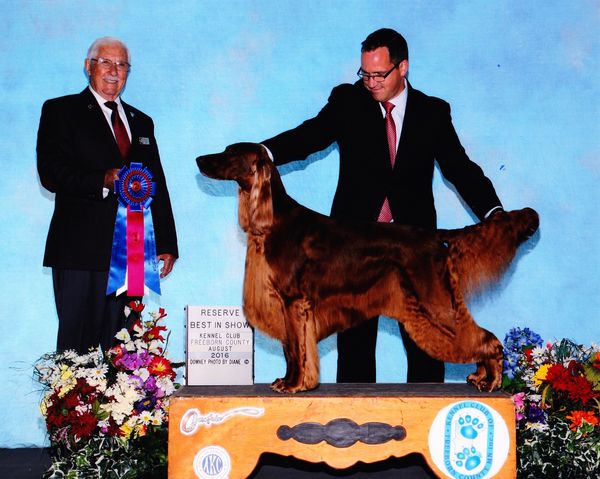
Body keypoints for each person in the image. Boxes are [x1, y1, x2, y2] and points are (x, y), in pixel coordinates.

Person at [261, 28, 503, 384]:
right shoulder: (347, 101)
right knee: (355, 345)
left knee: (429, 342)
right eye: (365, 74)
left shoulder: (433, 112)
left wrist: (493, 212)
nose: (370, 82)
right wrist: (262, 153)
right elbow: (309, 136)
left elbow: (459, 167)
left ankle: (426, 426)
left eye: (379, 74)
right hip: (353, 248)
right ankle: (353, 426)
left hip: (414, 246)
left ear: (402, 67)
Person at [37, 37, 178, 354]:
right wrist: (101, 179)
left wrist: (168, 243)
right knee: (77, 350)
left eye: (122, 64)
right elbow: (50, 173)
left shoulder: (142, 122)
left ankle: (126, 405)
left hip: (134, 250)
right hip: (78, 250)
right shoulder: (61, 111)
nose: (114, 71)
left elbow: (158, 185)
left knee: (126, 348)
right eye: (106, 62)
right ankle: (76, 406)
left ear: (129, 72)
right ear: (88, 67)